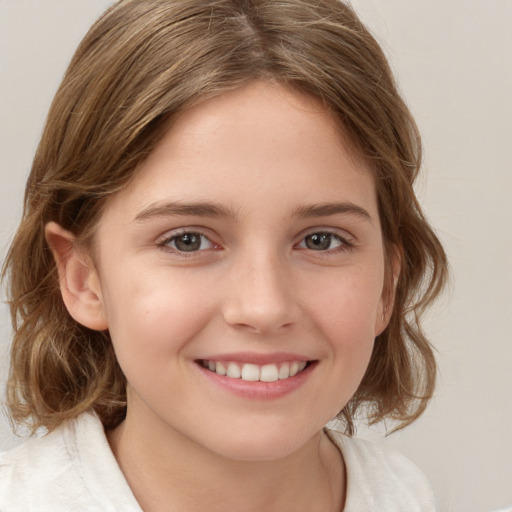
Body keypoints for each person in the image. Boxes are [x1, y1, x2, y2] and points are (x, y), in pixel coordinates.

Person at [0, 0, 448, 510]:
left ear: (387, 285)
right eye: (187, 240)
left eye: (321, 239)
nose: (264, 308)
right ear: (84, 277)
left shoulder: (403, 494)